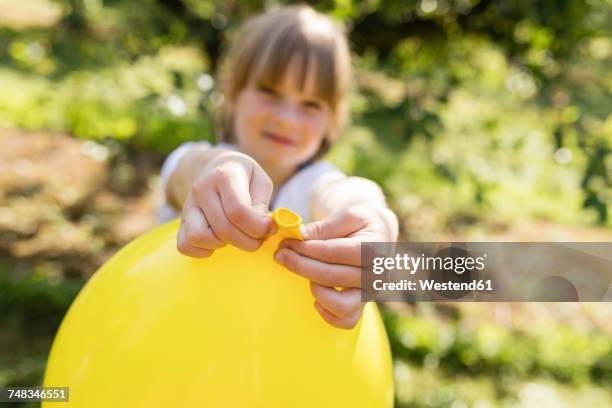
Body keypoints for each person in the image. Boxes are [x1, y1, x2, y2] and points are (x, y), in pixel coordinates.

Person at [159, 5, 398, 329]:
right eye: (269, 92)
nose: (287, 119)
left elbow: (347, 194)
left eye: (311, 104)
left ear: (333, 120)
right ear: (232, 91)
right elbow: (183, 171)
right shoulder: (206, 165)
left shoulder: (316, 183)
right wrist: (215, 167)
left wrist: (374, 217)